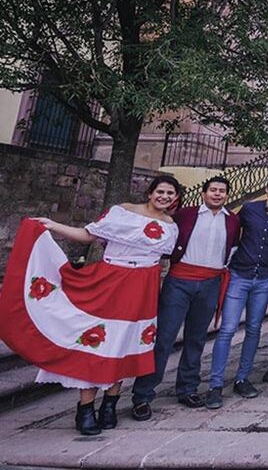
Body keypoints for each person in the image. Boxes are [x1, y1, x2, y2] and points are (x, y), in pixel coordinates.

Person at [0, 175, 182, 435]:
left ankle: (110, 404)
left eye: (170, 193)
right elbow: (87, 235)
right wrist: (53, 224)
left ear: (175, 198)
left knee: (126, 344)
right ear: (150, 193)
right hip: (112, 282)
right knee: (100, 343)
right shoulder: (123, 211)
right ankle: (86, 408)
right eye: (160, 191)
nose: (164, 197)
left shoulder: (171, 225)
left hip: (143, 290)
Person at [131, 176, 239, 420]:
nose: (217, 194)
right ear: (204, 193)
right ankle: (143, 395)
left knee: (197, 338)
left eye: (222, 191)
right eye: (213, 190)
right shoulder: (184, 215)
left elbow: (233, 248)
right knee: (164, 337)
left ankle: (188, 388)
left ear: (227, 195)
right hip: (180, 280)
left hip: (211, 282)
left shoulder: (232, 220)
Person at [207, 173, 268, 409]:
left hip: (263, 279)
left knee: (253, 329)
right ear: (267, 188)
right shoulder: (250, 209)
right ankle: (215, 385)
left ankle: (242, 378)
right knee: (227, 329)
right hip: (239, 275)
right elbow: (231, 230)